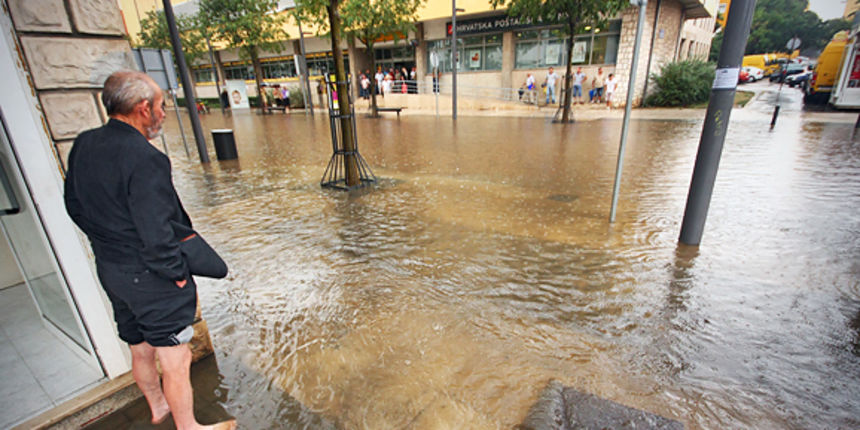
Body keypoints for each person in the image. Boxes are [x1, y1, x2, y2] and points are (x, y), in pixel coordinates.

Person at [63, 71, 236, 430]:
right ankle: (189, 427)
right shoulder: (145, 157)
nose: (163, 113)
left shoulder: (85, 143)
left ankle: (158, 407)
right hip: (151, 277)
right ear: (143, 109)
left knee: (139, 347)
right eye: (161, 106)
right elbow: (157, 229)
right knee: (176, 359)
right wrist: (175, 275)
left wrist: (109, 243)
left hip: (112, 269)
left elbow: (74, 206)